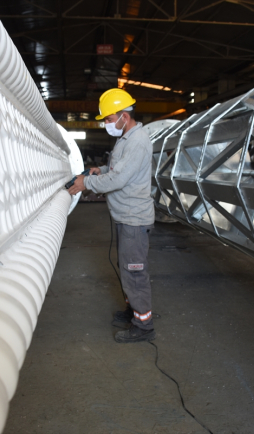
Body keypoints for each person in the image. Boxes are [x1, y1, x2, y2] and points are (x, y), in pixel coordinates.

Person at [67, 88, 155, 343]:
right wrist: (101, 170)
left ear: (124, 116)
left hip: (133, 218)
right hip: (125, 216)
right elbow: (119, 169)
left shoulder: (137, 141)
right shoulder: (127, 138)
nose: (106, 123)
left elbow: (118, 179)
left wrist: (86, 183)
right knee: (128, 268)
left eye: (108, 119)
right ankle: (134, 311)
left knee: (134, 271)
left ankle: (144, 326)